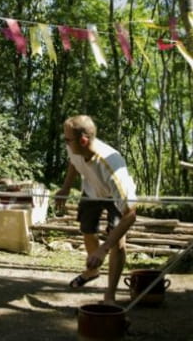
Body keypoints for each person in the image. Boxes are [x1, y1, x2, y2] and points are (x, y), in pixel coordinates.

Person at [55, 115, 136, 306]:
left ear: (83, 141)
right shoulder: (74, 146)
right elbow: (74, 161)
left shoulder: (113, 169)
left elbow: (131, 214)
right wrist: (66, 187)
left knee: (117, 243)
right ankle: (92, 271)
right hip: (91, 190)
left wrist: (103, 248)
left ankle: (110, 296)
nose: (65, 143)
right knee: (87, 230)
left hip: (113, 197)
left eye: (67, 140)